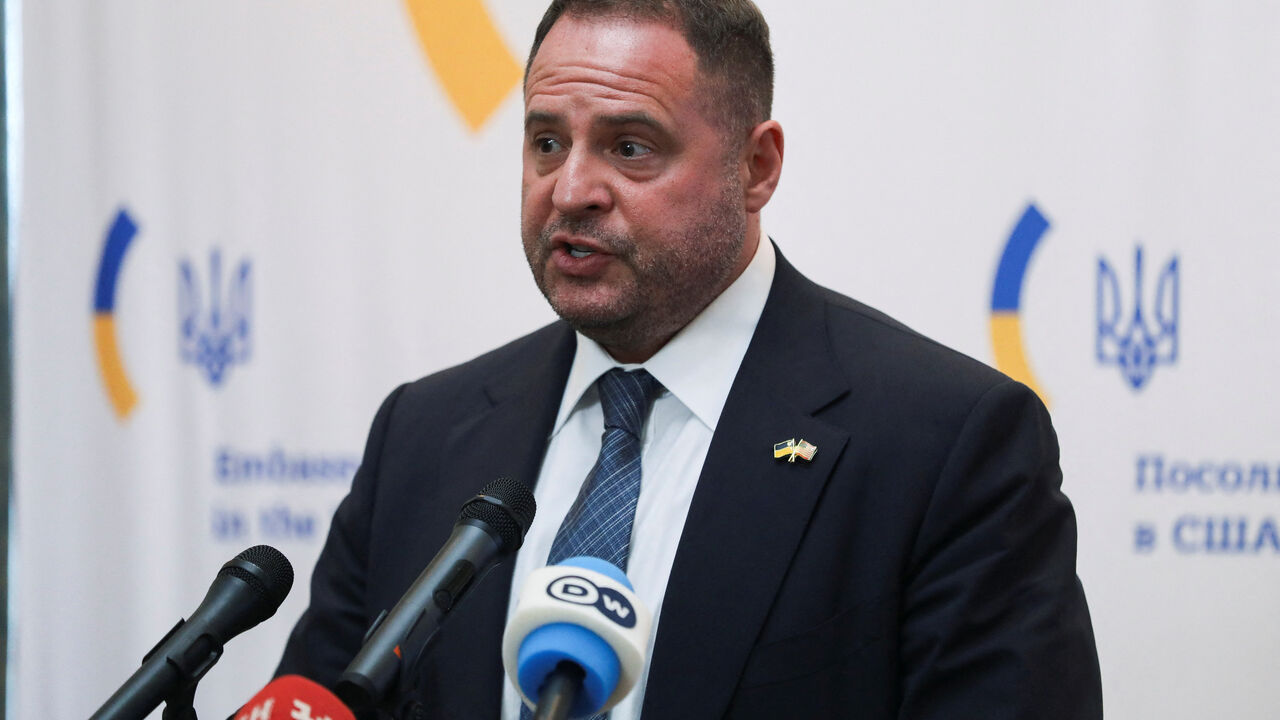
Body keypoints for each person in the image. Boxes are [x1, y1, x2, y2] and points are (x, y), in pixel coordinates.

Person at [277, 1, 1103, 718]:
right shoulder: (424, 434)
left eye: (630, 147)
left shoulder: (948, 444)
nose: (570, 190)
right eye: (546, 142)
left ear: (757, 166)